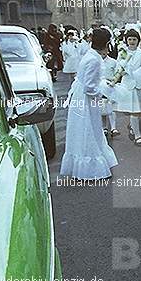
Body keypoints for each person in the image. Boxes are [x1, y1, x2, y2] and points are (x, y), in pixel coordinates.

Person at [60, 28, 118, 180]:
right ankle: (90, 166)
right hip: (86, 100)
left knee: (85, 129)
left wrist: (102, 84)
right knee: (88, 129)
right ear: (106, 43)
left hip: (81, 96)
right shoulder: (94, 59)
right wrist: (103, 92)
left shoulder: (90, 55)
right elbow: (89, 87)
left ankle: (82, 161)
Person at [114, 28, 141, 146]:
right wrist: (122, 71)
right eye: (130, 39)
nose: (132, 41)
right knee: (134, 111)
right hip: (128, 84)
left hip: (138, 83)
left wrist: (137, 73)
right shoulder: (122, 52)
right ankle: (138, 136)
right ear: (126, 40)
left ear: (138, 40)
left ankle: (132, 126)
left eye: (134, 39)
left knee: (140, 112)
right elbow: (118, 66)